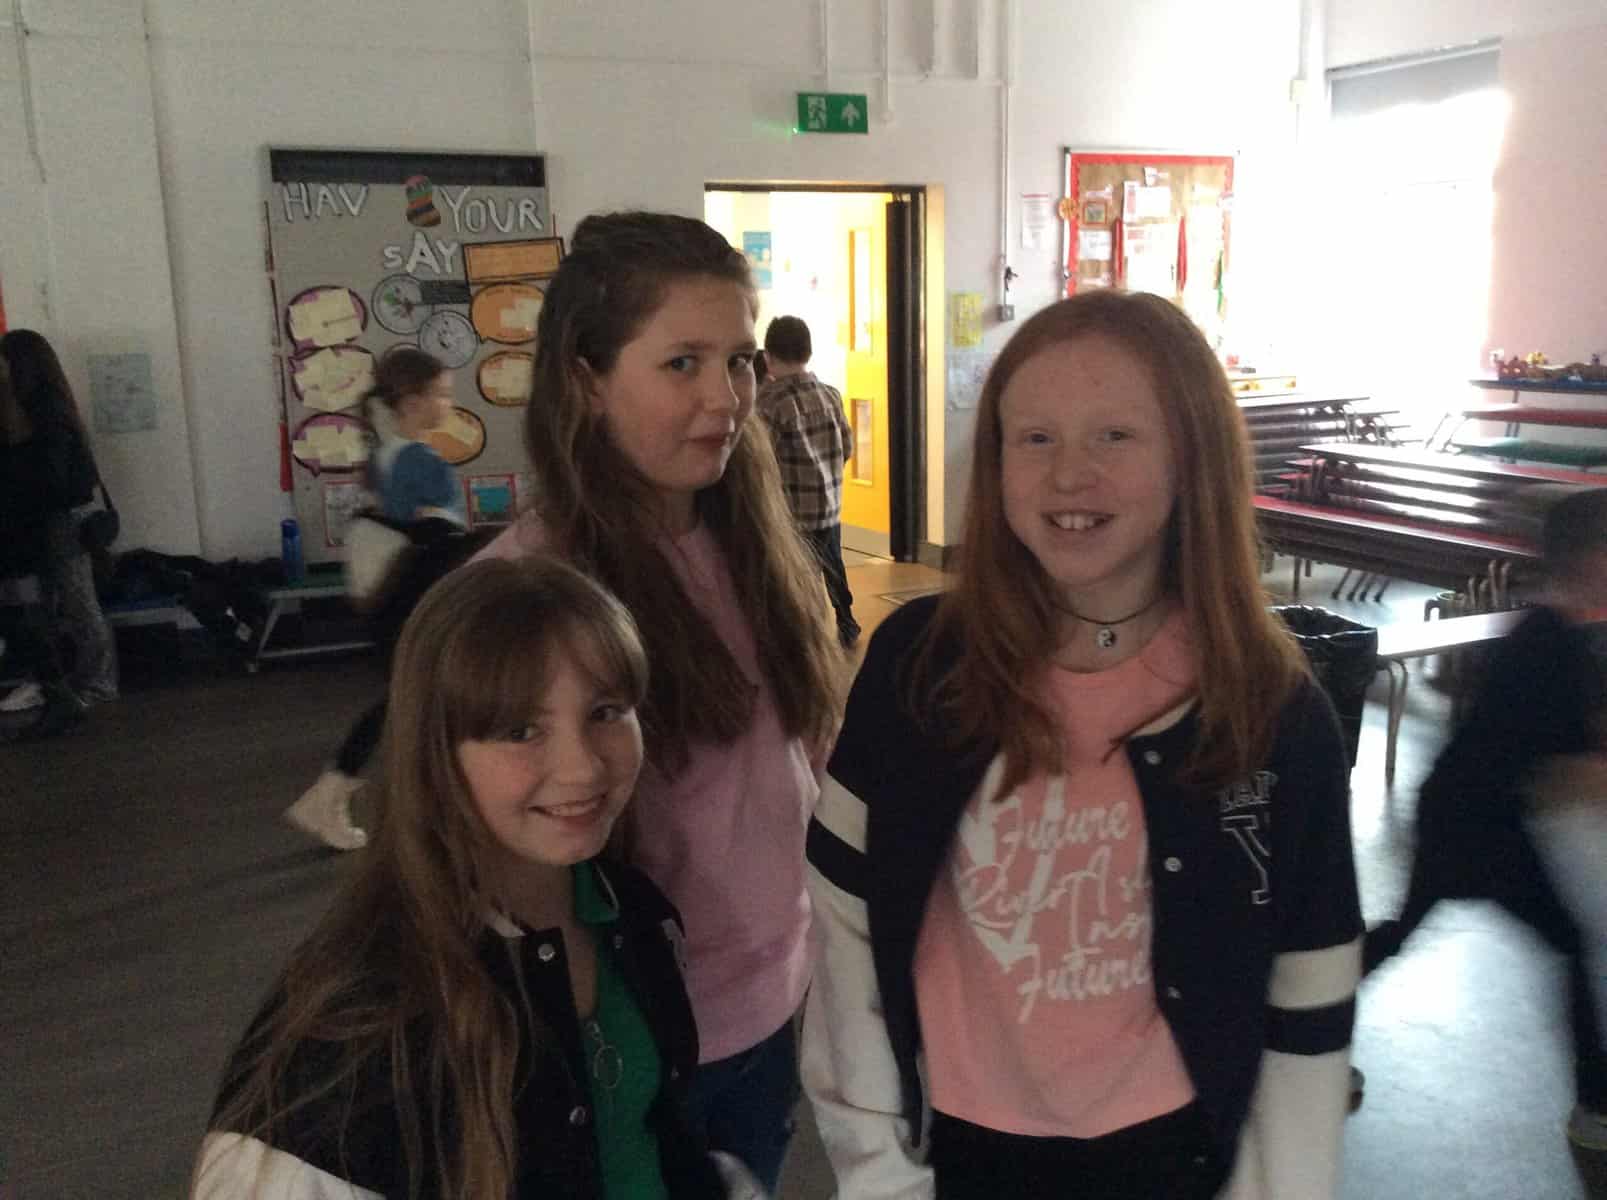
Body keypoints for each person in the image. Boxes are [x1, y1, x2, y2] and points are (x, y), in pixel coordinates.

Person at [802, 290, 1362, 1199]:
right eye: (1034, 438)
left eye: (1114, 436)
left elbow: (1310, 987)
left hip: (1170, 1160)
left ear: (1190, 459)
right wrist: (877, 1169)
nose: (1068, 474)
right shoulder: (917, 667)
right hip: (957, 1155)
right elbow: (843, 927)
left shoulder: (1269, 708)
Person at [194, 557, 759, 1199]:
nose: (583, 768)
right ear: (436, 751)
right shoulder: (352, 1028)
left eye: (605, 711)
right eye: (521, 731)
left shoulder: (636, 915)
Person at [477, 211, 842, 1192]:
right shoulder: (525, 591)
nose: (726, 398)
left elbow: (804, 752)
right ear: (586, 379)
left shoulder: (752, 544)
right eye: (682, 364)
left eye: (738, 362)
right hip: (627, 1040)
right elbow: (479, 863)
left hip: (774, 1003)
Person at [1363, 486, 1607, 1149]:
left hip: (1477, 817)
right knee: (1566, 943)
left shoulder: (1562, 633)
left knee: (1404, 934)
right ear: (1586, 559)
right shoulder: (1544, 644)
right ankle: (1594, 1107)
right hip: (1469, 824)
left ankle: (1296, 1017)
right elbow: (1574, 770)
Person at [286, 348, 476, 851]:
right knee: (420, 700)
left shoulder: (383, 456)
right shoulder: (422, 462)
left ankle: (338, 797)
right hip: (419, 597)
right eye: (441, 394)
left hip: (391, 598)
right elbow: (440, 537)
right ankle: (335, 798)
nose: (448, 404)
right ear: (411, 401)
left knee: (416, 702)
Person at [0, 329, 118, 719]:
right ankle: (65, 684)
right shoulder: (41, 406)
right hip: (50, 518)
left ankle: (97, 684)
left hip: (63, 518)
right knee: (54, 603)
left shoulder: (46, 412)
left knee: (77, 600)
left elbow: (52, 479)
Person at [756, 315, 860, 647]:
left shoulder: (769, 403)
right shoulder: (830, 395)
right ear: (809, 352)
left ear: (768, 357)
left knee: (798, 573)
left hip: (792, 512)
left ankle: (807, 632)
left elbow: (763, 461)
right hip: (829, 505)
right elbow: (847, 447)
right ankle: (846, 622)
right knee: (833, 565)